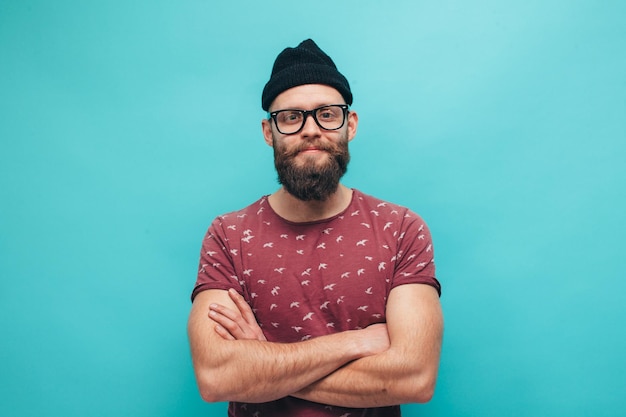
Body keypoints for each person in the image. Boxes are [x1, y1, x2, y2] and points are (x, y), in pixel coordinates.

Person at [187, 39, 443, 417]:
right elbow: (217, 378)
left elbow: (415, 379)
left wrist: (264, 365)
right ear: (268, 131)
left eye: (327, 114)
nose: (310, 130)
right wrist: (356, 343)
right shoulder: (229, 235)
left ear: (349, 124)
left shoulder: (401, 228)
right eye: (290, 117)